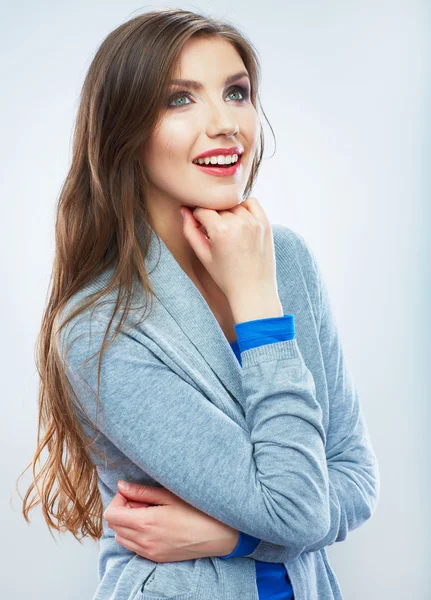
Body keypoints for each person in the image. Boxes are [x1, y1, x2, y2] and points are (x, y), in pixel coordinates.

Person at [18, 8, 380, 600]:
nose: (225, 123)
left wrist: (227, 537)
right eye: (180, 100)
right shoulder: (98, 328)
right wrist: (258, 306)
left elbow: (356, 480)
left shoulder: (284, 259)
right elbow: (299, 509)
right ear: (124, 132)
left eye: (236, 92)